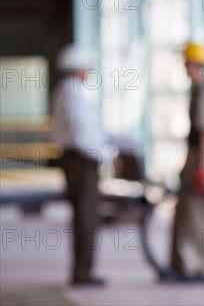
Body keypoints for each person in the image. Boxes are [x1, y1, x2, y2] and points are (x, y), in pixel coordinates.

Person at [52, 44, 113, 286]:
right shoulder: (72, 94)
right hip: (81, 162)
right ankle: (82, 273)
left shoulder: (66, 92)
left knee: (84, 218)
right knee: (86, 218)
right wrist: (106, 154)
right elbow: (81, 136)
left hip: (76, 159)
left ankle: (83, 270)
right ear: (78, 69)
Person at [170, 43, 204, 277]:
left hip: (200, 158)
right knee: (186, 210)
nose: (184, 67)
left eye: (186, 62)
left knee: (198, 212)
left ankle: (203, 265)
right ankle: (180, 262)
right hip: (195, 156)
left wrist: (203, 169)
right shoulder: (197, 90)